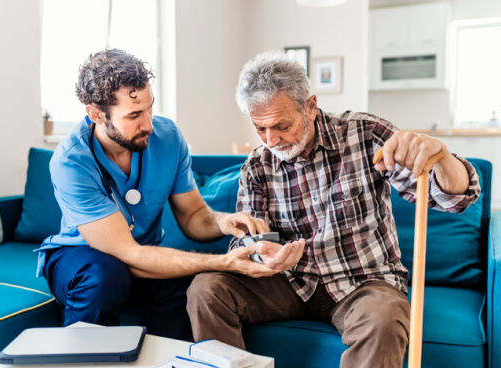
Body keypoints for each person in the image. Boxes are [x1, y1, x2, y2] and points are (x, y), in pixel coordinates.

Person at [186, 50, 481, 367]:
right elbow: (243, 241)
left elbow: (454, 199)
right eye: (260, 129)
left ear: (310, 106)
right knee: (206, 290)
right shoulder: (257, 165)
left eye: (281, 125)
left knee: (384, 318)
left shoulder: (364, 135)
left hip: (363, 281)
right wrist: (260, 252)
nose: (271, 140)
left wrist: (443, 157)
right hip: (288, 281)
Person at [36, 49, 305, 340]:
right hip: (81, 259)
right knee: (104, 277)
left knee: (191, 286)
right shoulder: (71, 161)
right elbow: (128, 254)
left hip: (145, 255)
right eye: (135, 115)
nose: (149, 124)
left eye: (150, 108)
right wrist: (222, 262)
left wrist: (223, 222)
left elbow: (193, 216)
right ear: (96, 114)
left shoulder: (168, 137)